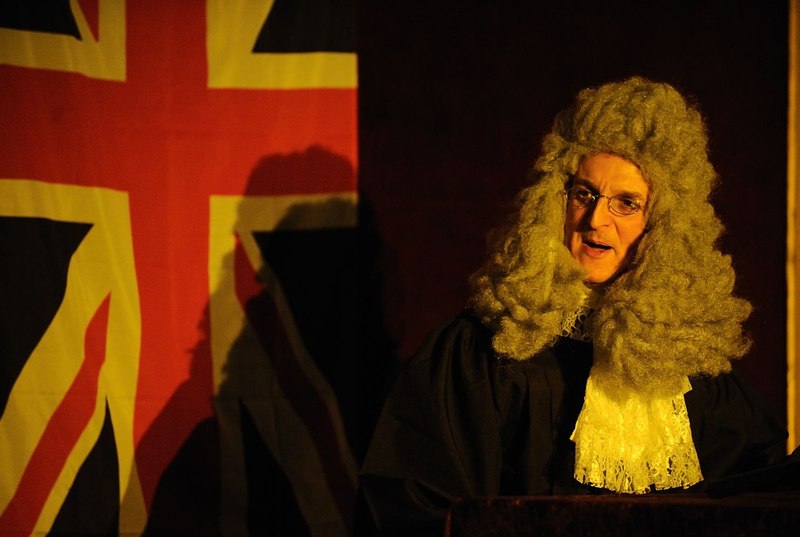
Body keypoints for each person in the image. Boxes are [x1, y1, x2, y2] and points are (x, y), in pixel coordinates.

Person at [359, 77, 788, 536]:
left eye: (626, 203)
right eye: (584, 193)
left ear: (663, 225)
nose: (595, 219)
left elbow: (755, 500)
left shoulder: (694, 372)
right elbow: (416, 508)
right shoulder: (484, 354)